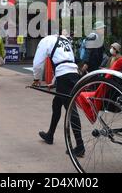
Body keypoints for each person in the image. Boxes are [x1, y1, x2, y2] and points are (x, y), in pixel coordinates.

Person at [32, 21, 85, 158]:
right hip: (72, 74)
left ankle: (80, 146)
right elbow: (66, 60)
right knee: (57, 103)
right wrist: (54, 82)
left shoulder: (46, 40)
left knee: (71, 110)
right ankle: (50, 135)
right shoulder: (64, 40)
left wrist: (37, 78)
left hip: (65, 76)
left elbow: (38, 62)